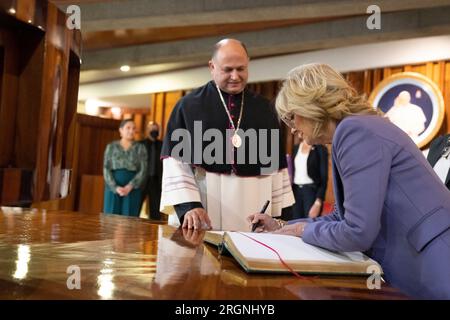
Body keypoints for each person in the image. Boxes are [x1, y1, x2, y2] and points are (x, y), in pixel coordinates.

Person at [248, 63, 450, 299]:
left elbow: (358, 231)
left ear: (310, 106)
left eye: (292, 118)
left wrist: (300, 230)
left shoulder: (354, 131)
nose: (292, 129)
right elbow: (341, 217)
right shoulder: (356, 129)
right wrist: (282, 226)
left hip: (436, 263)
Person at [160, 38, 294, 231]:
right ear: (212, 66)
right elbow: (175, 163)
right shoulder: (188, 107)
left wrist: (280, 218)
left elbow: (276, 171)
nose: (235, 76)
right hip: (204, 212)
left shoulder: (266, 110)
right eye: (228, 69)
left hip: (252, 208)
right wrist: (190, 206)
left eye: (241, 69)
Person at [103, 119, 147, 216]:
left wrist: (130, 186)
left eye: (133, 128)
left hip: (133, 187)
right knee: (110, 218)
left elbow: (143, 170)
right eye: (128, 128)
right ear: (121, 130)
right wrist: (115, 187)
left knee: (129, 219)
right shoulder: (111, 146)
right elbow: (106, 168)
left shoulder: (140, 148)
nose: (131, 131)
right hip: (113, 186)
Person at [291, 139, 328, 219]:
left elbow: (324, 178)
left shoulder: (320, 149)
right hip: (295, 191)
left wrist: (318, 202)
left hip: (311, 192)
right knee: (294, 223)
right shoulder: (296, 147)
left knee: (309, 224)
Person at [139, 121, 163, 220]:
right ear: (147, 130)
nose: (154, 131)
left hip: (156, 181)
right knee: (136, 207)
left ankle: (154, 233)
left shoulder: (163, 145)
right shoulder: (140, 145)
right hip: (142, 180)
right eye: (152, 129)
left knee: (155, 211)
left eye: (156, 129)